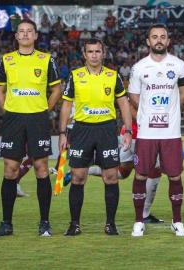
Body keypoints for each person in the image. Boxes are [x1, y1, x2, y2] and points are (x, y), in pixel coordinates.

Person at [0, 19, 61, 237]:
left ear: (36, 35)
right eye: (21, 31)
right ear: (16, 36)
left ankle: (45, 223)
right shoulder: (6, 60)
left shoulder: (46, 59)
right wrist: (7, 110)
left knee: (41, 168)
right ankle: (6, 224)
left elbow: (57, 89)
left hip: (37, 119)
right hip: (14, 119)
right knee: (10, 169)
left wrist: (44, 110)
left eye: (29, 31)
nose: (25, 34)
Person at [59, 38, 132, 236]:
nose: (94, 55)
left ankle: (110, 224)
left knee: (110, 177)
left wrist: (127, 130)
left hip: (106, 129)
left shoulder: (113, 76)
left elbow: (123, 103)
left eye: (97, 51)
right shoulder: (75, 76)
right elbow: (66, 105)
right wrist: (62, 133)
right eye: (90, 51)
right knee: (78, 176)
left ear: (103, 53)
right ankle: (74, 224)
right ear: (84, 54)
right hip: (81, 130)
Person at [128, 23, 184, 237]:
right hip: (146, 133)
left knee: (174, 176)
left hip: (170, 132)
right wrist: (146, 113)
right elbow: (134, 97)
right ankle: (138, 222)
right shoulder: (139, 68)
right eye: (154, 37)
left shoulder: (179, 65)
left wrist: (170, 108)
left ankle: (177, 221)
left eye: (163, 36)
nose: (159, 40)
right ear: (148, 41)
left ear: (168, 41)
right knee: (141, 175)